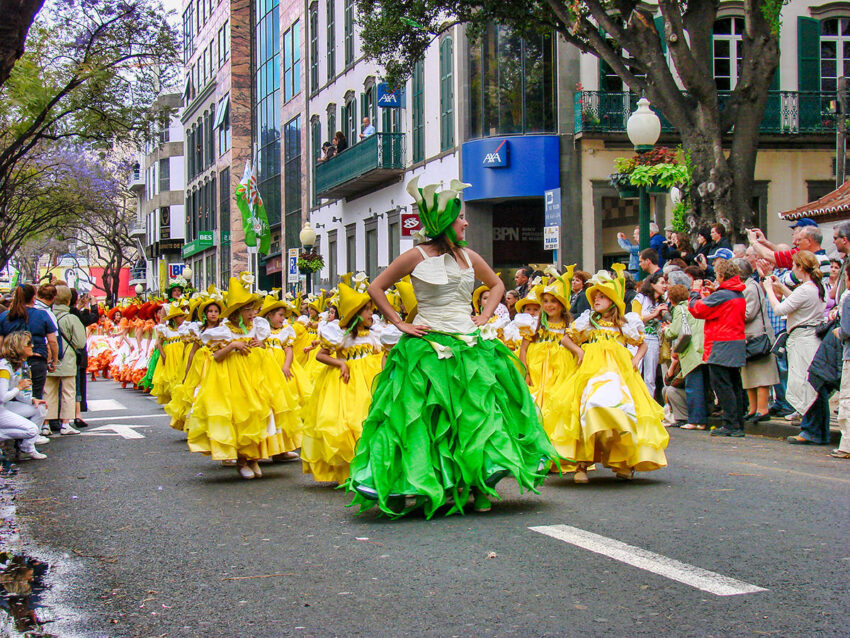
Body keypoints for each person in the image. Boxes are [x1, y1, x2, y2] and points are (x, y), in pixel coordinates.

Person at [346, 177, 556, 517]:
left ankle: (479, 485)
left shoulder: (469, 255)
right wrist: (400, 323)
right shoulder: (413, 256)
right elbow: (376, 287)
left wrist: (485, 315)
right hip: (427, 345)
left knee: (476, 414)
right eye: (461, 217)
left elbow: (497, 284)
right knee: (428, 417)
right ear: (445, 222)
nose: (466, 222)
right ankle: (439, 484)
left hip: (468, 342)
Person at [552, 263, 668, 482]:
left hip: (619, 372)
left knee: (623, 409)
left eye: (602, 297)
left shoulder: (624, 324)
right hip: (591, 370)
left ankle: (624, 460)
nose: (596, 300)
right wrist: (579, 351)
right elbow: (566, 338)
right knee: (586, 407)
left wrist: (634, 360)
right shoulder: (588, 322)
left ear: (612, 301)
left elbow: (641, 344)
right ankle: (582, 464)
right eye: (595, 297)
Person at [186, 274, 299, 479]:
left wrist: (260, 345)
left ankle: (254, 457)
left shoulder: (257, 327)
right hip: (233, 379)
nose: (253, 313)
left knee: (260, 413)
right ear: (238, 311)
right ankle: (241, 459)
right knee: (240, 417)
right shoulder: (223, 331)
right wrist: (232, 346)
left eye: (254, 309)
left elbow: (263, 344)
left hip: (257, 375)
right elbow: (216, 357)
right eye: (248, 309)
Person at [302, 282, 383, 485]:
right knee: (347, 422)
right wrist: (340, 363)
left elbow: (379, 356)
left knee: (367, 419)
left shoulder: (373, 335)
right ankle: (348, 469)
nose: (370, 313)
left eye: (370, 309)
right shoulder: (342, 337)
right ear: (355, 315)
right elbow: (321, 355)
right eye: (365, 310)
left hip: (369, 381)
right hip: (346, 384)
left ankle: (366, 467)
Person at [762, 251, 829, 445]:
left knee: (806, 386)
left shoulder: (807, 288)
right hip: (810, 338)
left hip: (803, 340)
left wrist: (769, 289)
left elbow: (781, 309)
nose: (792, 269)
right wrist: (781, 286)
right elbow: (798, 303)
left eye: (794, 266)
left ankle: (810, 430)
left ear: (800, 267)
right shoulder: (816, 287)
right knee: (814, 386)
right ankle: (817, 431)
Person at [516, 270, 578, 455]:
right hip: (536, 372)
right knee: (536, 407)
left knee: (557, 408)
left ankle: (555, 450)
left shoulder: (571, 327)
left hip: (561, 373)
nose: (549, 305)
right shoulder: (534, 325)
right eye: (545, 301)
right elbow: (524, 348)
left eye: (553, 301)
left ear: (562, 305)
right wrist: (525, 372)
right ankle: (536, 451)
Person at [689, 259, 747, 437]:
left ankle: (730, 424)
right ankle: (737, 423)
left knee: (722, 386)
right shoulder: (737, 294)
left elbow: (697, 309)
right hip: (736, 341)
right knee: (734, 385)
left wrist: (695, 292)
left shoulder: (723, 295)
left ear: (721, 276)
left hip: (721, 343)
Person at [735, 259, 779, 422]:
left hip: (757, 335)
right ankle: (753, 409)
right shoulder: (745, 286)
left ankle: (762, 409)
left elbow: (748, 313)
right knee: (749, 376)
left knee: (761, 376)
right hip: (747, 336)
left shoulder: (750, 288)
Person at [663, 284, 709, 430]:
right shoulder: (694, 305)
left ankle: (695, 420)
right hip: (704, 349)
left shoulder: (679, 309)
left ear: (671, 298)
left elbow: (675, 331)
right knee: (703, 387)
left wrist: (666, 329)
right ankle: (702, 420)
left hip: (691, 351)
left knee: (693, 387)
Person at [0, 285, 58, 400]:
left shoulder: (5, 316)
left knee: (11, 394)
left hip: (12, 361)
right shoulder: (41, 315)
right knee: (35, 396)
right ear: (33, 298)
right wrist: (54, 360)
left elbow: (0, 341)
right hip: (37, 358)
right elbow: (52, 341)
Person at [44, 285, 85, 437]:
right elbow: (80, 342)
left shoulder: (46, 315)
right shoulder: (71, 318)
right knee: (68, 391)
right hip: (67, 359)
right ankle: (65, 423)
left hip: (49, 358)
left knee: (48, 391)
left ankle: (46, 424)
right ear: (68, 300)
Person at [0, 331, 49, 460]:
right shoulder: (4, 368)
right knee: (31, 430)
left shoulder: (18, 365)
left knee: (40, 409)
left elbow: (18, 395)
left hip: (6, 406)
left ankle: (28, 447)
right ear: (19, 347)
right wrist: (19, 387)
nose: (32, 346)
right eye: (28, 343)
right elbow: (2, 397)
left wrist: (32, 400)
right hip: (2, 407)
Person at [635, 270, 668, 400]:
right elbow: (635, 318)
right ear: (653, 284)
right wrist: (654, 314)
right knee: (637, 371)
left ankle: (650, 403)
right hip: (639, 339)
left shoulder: (661, 302)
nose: (665, 286)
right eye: (662, 283)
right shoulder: (640, 298)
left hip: (654, 339)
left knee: (650, 377)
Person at [832, 265, 850, 458]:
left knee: (847, 399)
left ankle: (847, 445)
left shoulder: (848, 298)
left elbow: (847, 330)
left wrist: (838, 333)